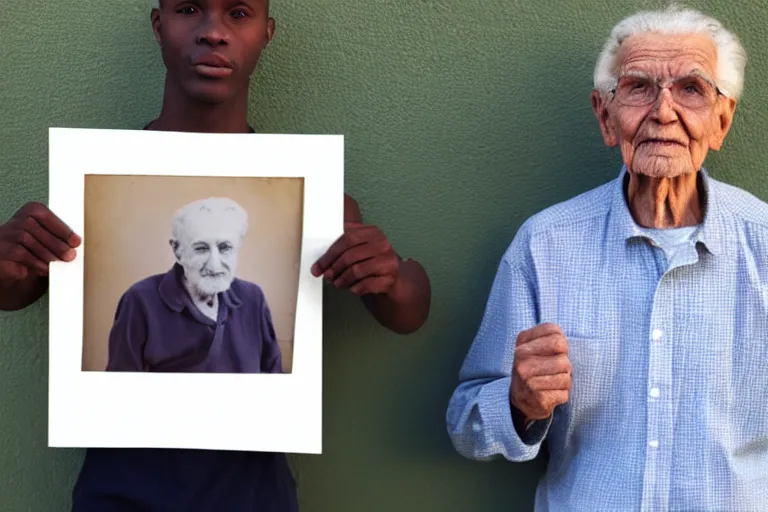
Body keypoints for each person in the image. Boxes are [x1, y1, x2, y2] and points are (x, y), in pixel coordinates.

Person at [0, 0, 431, 510]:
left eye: (239, 14)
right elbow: (14, 292)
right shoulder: (88, 187)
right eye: (188, 9)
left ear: (267, 32)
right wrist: (12, 257)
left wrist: (390, 276)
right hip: (123, 492)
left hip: (255, 493)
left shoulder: (312, 202)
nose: (214, 33)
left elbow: (407, 311)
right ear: (159, 25)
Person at [447, 6, 765, 512]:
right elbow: (466, 423)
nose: (663, 112)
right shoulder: (545, 245)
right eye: (639, 87)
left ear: (721, 121)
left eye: (691, 89)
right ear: (605, 117)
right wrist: (518, 404)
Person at [106, 196, 283, 374]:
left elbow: (274, 376)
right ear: (177, 251)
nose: (215, 264)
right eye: (201, 249)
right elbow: (119, 386)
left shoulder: (253, 297)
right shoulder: (140, 300)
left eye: (225, 248)